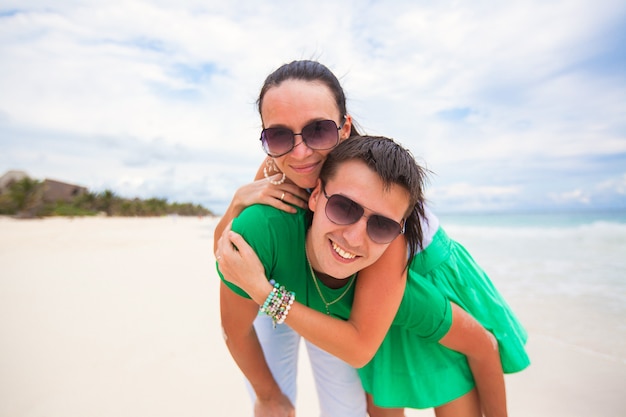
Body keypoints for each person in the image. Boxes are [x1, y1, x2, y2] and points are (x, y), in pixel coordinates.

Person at [216, 60, 529, 417]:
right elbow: (226, 257)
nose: (300, 152)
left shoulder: (378, 219)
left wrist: (265, 294)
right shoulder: (277, 168)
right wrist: (237, 202)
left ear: (344, 127)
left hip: (417, 276)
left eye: (318, 131)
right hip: (337, 278)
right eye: (280, 136)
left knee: (441, 387)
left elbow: (361, 342)